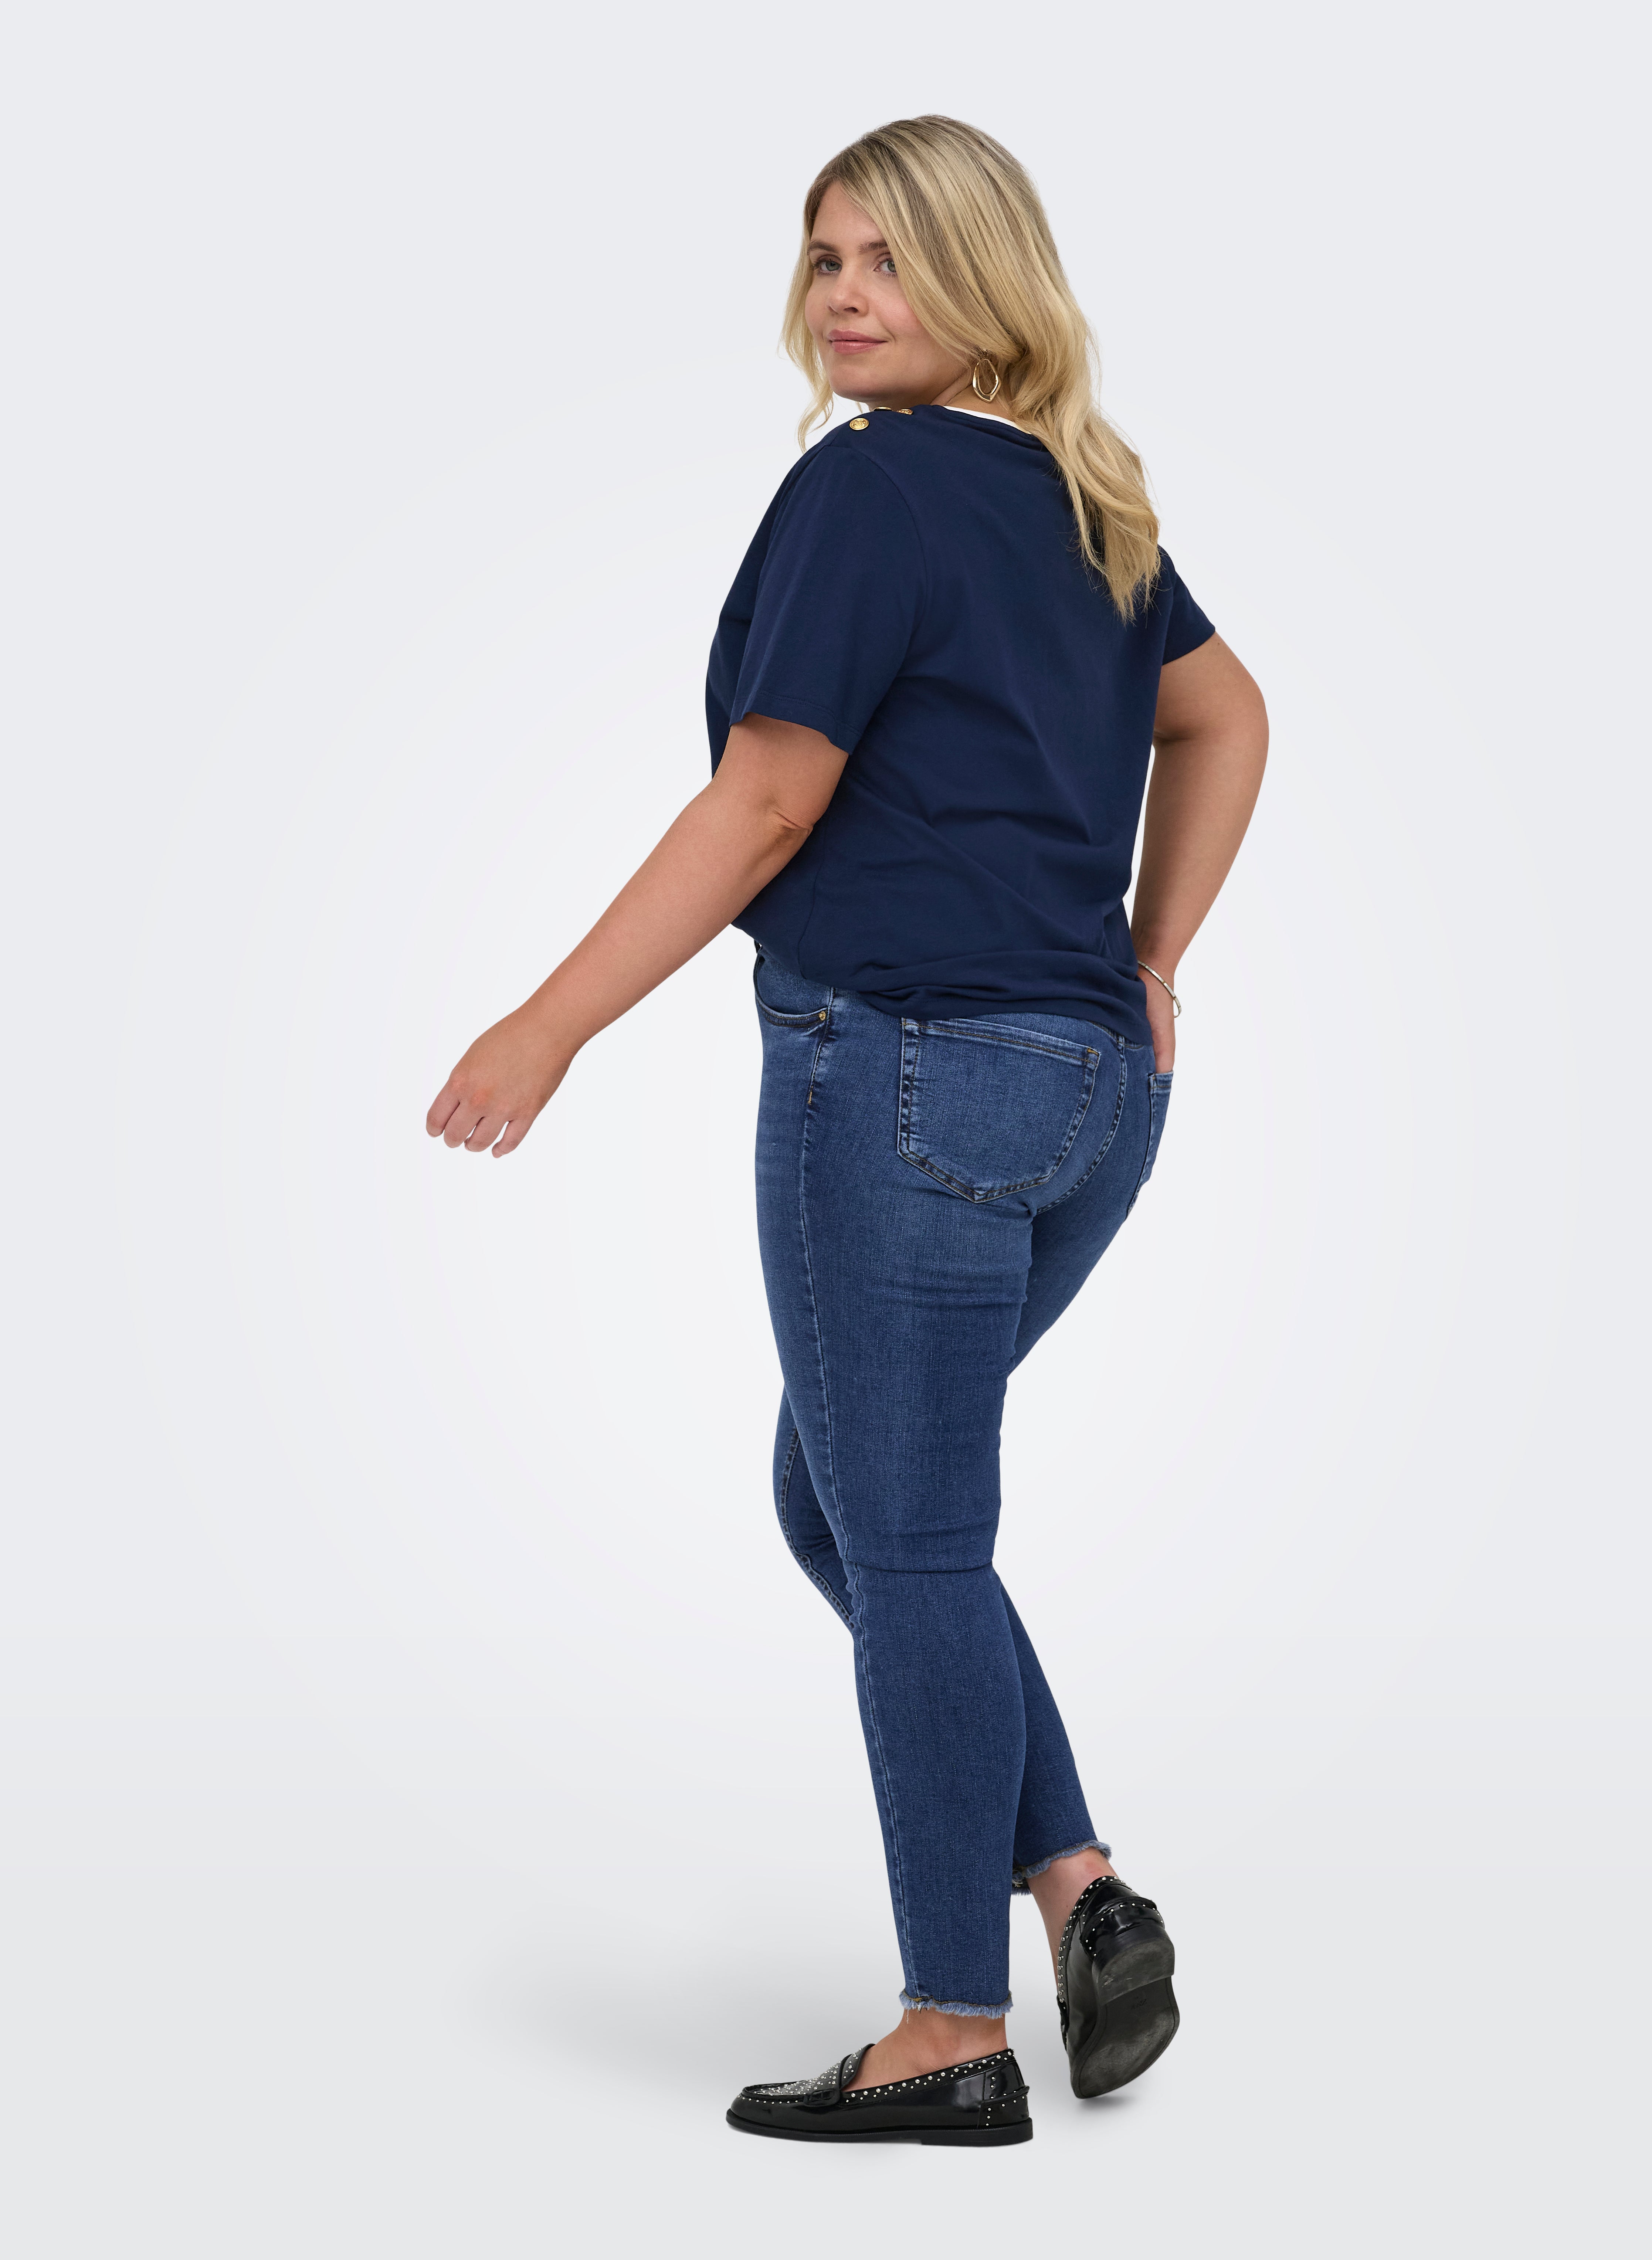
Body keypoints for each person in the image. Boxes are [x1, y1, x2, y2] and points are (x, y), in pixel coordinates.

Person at [426, 115, 1268, 2149]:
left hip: (901, 1076)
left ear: (990, 277)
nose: (848, 296)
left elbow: (767, 802)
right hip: (1091, 1099)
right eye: (824, 259)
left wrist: (548, 1024)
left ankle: (950, 2029)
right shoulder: (1083, 506)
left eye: (891, 257)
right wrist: (1149, 962)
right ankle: (1079, 1883)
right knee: (852, 1509)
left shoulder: (869, 490)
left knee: (907, 1539)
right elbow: (1229, 714)